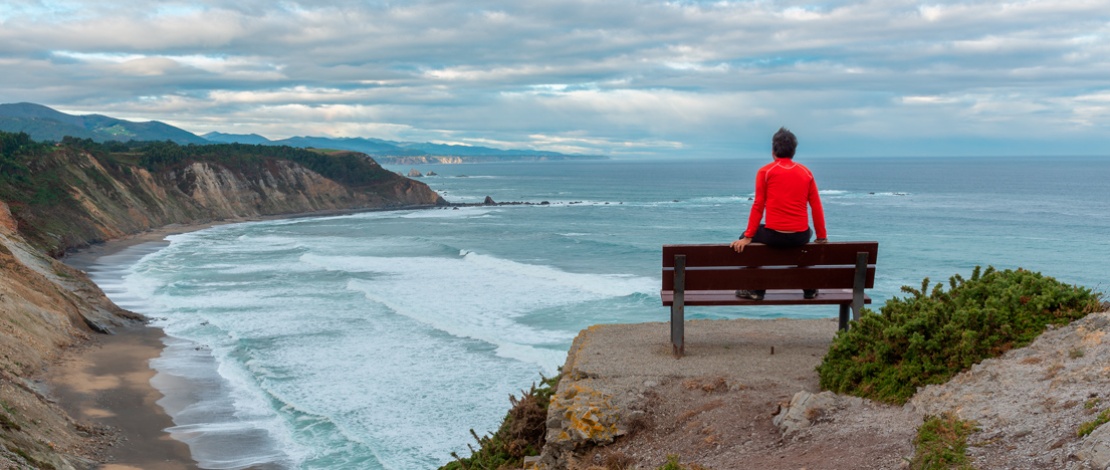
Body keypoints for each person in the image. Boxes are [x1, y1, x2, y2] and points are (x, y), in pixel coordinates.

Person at [729, 127, 827, 301]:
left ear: (773, 151)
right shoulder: (806, 173)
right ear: (794, 151)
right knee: (808, 232)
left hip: (774, 236)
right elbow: (816, 206)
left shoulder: (765, 172)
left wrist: (748, 236)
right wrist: (821, 236)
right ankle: (809, 287)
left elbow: (758, 205)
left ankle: (756, 289)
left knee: (747, 235)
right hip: (799, 237)